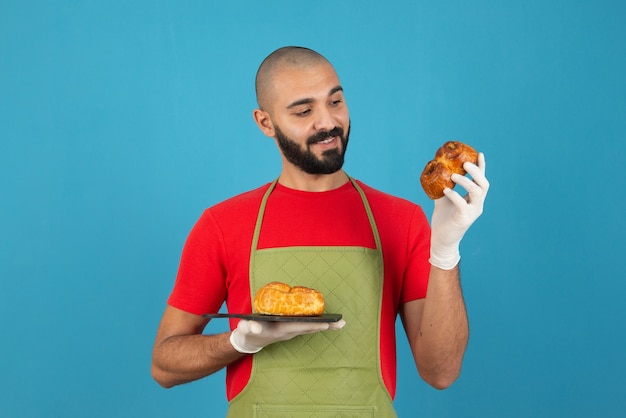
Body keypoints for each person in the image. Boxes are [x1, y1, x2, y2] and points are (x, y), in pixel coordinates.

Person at [151, 46, 489, 417]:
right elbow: (164, 365)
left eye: (335, 101)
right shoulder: (223, 224)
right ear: (265, 123)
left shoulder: (401, 219)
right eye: (303, 111)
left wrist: (445, 249)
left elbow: (440, 372)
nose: (327, 122)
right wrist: (237, 343)